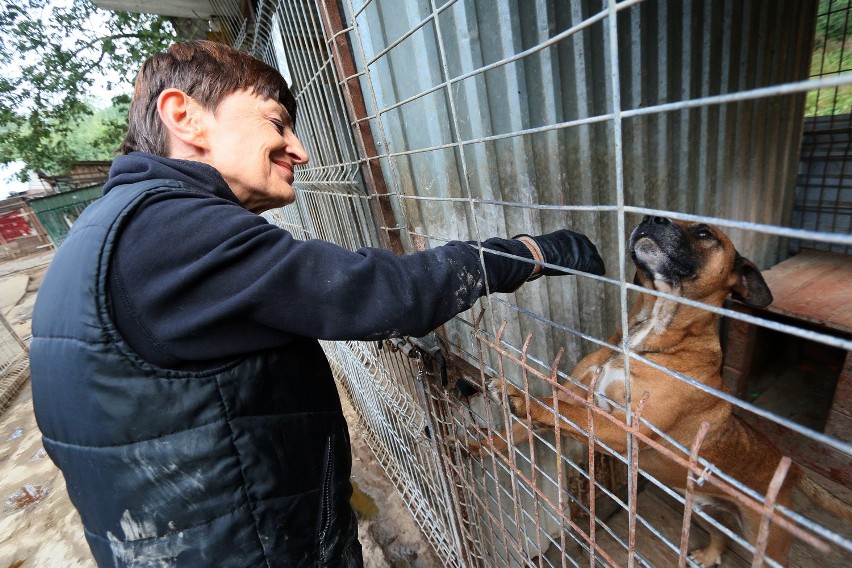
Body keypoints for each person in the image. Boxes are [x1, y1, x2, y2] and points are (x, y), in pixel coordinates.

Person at [30, 40, 605, 567]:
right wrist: (530, 252)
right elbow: (382, 294)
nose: (299, 151)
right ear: (185, 116)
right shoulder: (170, 229)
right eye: (277, 122)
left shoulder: (103, 233)